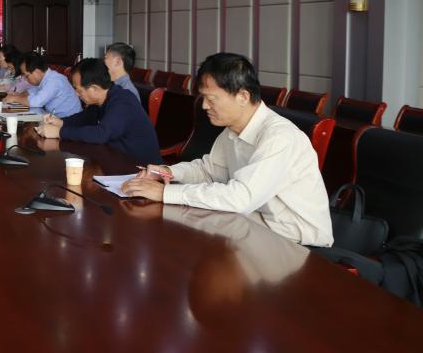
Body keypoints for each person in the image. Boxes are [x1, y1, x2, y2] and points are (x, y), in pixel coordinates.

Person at [122, 52, 333, 247]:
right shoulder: (232, 130)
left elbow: (241, 197)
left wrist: (165, 192)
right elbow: (208, 171)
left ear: (243, 96)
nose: (204, 106)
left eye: (211, 99)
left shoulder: (280, 138)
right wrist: (167, 173)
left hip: (297, 241)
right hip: (255, 223)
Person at [35, 59, 160, 165]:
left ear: (94, 89)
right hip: (115, 159)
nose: (76, 94)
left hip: (140, 169)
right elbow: (84, 118)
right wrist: (61, 122)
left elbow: (101, 134)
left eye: (78, 90)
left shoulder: (123, 101)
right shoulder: (102, 100)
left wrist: (60, 132)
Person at [4, 52, 82, 117]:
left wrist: (15, 99)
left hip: (70, 122)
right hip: (57, 119)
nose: (25, 79)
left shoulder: (54, 80)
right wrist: (18, 95)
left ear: (37, 71)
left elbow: (36, 102)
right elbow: (32, 91)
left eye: (27, 76)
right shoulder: (45, 79)